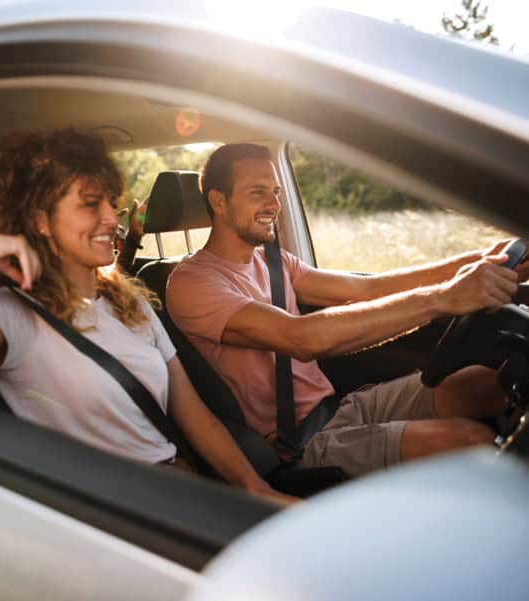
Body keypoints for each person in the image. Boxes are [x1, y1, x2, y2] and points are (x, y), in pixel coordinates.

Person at [0, 129, 297, 505]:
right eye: (90, 205)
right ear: (40, 221)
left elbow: (198, 420)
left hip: (182, 492)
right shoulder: (11, 314)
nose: (110, 217)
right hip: (121, 516)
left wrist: (256, 490)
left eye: (109, 202)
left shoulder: (132, 304)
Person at [165, 143, 529, 477]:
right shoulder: (192, 284)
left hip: (342, 407)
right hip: (299, 444)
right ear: (218, 200)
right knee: (472, 442)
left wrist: (486, 259)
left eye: (275, 192)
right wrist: (444, 297)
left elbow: (365, 289)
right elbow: (300, 338)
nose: (274, 205)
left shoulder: (275, 262)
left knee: (490, 383)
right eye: (257, 192)